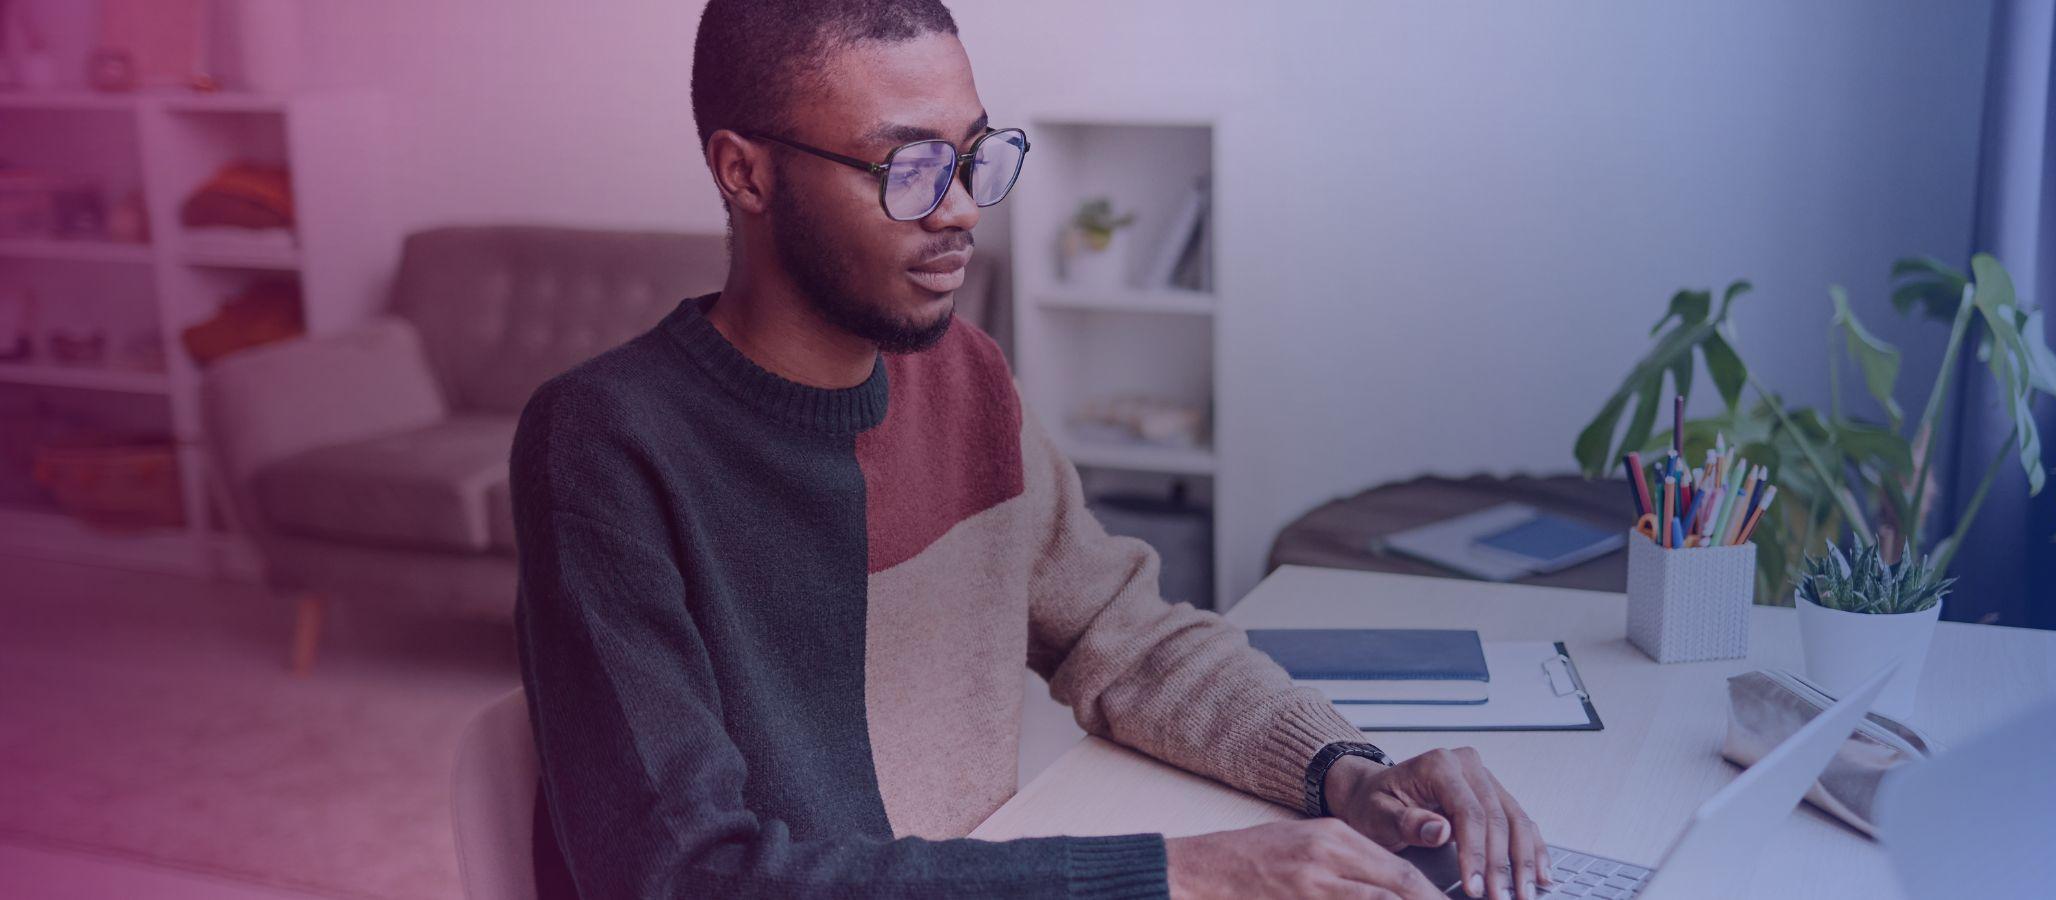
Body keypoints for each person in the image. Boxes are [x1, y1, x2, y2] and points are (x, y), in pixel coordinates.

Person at [511, 2, 1550, 897]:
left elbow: (1130, 637)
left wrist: (1347, 775)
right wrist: (1185, 873)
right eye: (908, 166)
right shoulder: (604, 443)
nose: (962, 208)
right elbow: (683, 876)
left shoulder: (964, 379)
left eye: (972, 156)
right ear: (745, 173)